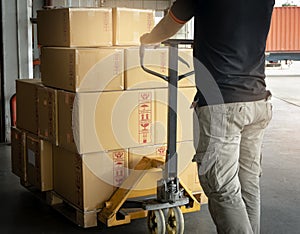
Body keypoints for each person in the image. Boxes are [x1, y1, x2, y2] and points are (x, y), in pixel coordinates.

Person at [140, 0, 275, 233]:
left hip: (223, 103)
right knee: (247, 184)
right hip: (258, 101)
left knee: (221, 187)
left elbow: (170, 24)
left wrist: (148, 39)